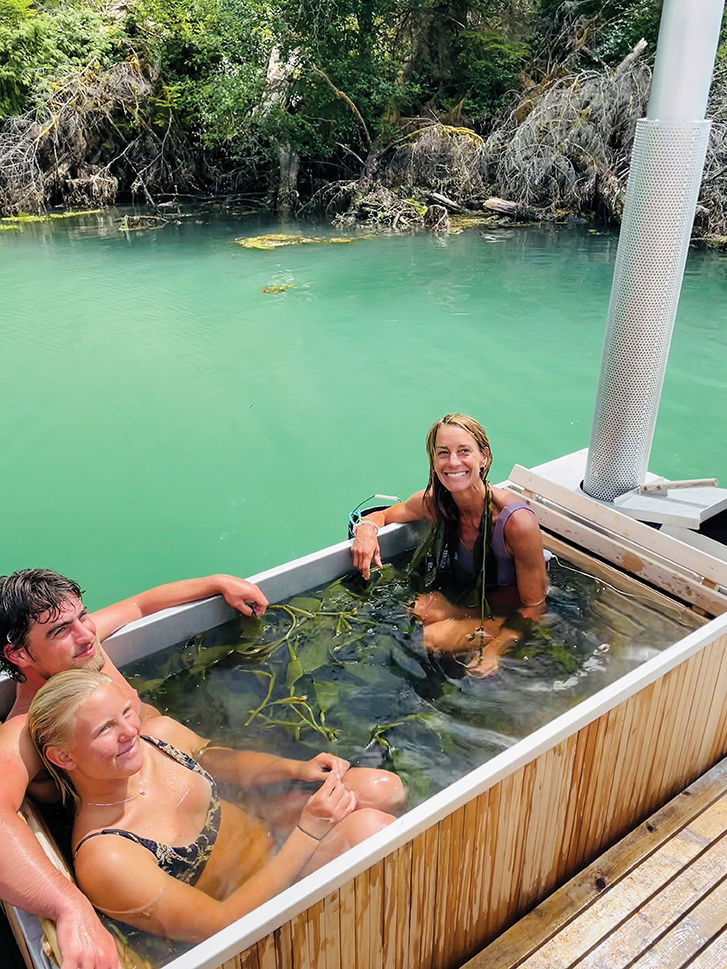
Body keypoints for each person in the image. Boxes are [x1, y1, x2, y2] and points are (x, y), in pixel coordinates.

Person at [0, 567, 268, 969]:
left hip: (191, 776)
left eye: (82, 616)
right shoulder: (27, 729)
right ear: (18, 655)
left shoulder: (83, 648)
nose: (85, 634)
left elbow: (139, 605)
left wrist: (215, 583)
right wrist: (69, 906)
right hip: (156, 852)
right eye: (59, 630)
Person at [27, 670, 401, 942]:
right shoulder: (108, 857)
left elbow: (217, 758)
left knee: (383, 787)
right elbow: (223, 926)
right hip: (261, 904)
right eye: (105, 729)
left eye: (126, 712)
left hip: (272, 836)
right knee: (373, 829)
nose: (129, 731)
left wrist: (294, 769)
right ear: (63, 757)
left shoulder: (158, 739)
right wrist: (308, 831)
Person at [350, 414, 548, 676]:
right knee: (415, 611)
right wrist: (365, 530)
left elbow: (534, 605)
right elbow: (384, 514)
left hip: (509, 611)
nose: (453, 462)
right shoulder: (439, 504)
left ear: (484, 457)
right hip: (469, 600)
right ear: (433, 461)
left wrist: (493, 650)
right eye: (443, 453)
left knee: (430, 637)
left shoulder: (516, 523)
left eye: (464, 451)